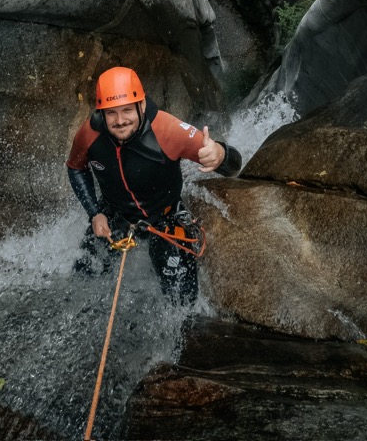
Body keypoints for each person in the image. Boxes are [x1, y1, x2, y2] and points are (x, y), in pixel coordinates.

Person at [65, 66, 242, 305]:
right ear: (101, 112)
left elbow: (233, 166)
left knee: (181, 303)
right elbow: (76, 167)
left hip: (164, 219)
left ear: (142, 105)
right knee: (82, 281)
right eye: (111, 113)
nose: (119, 121)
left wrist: (219, 153)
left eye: (127, 110)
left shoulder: (168, 130)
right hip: (113, 214)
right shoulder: (89, 134)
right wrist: (94, 214)